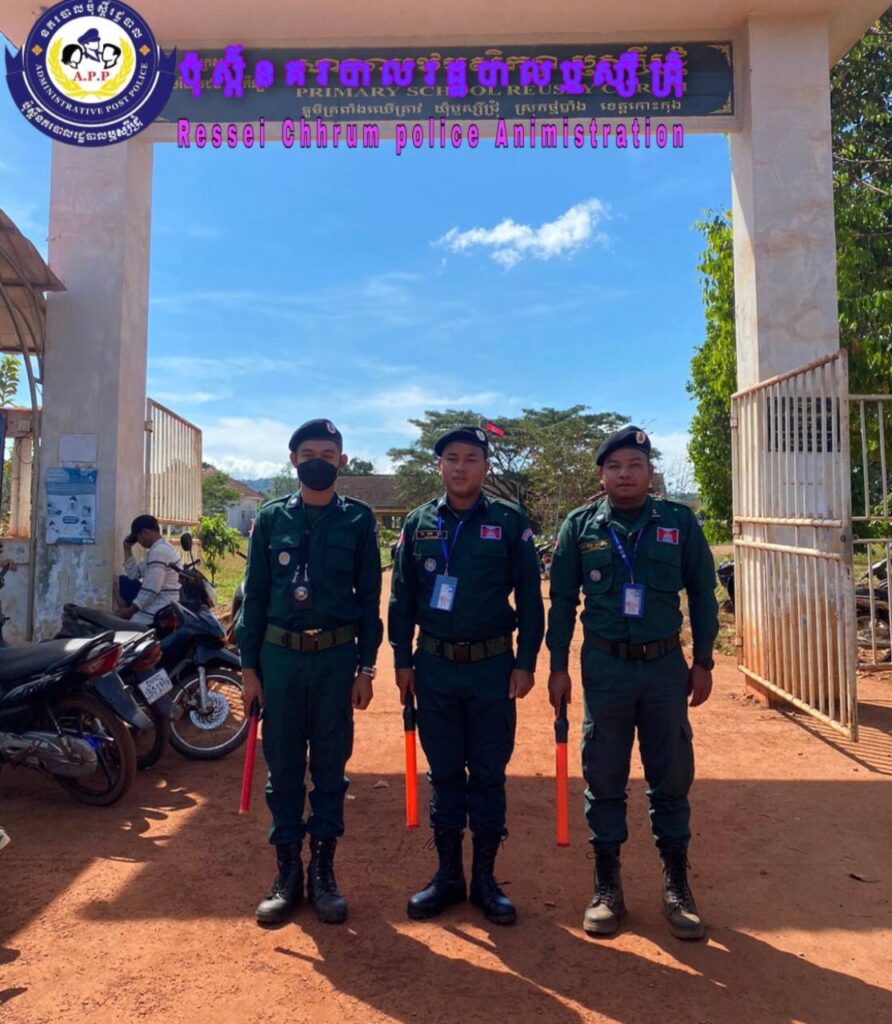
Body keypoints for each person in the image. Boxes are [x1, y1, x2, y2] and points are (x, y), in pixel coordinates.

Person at [546, 425, 718, 941]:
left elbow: (702, 593)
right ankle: (607, 888)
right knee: (604, 774)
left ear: (650, 472)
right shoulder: (579, 527)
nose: (625, 475)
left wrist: (704, 660)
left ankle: (677, 886)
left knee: (671, 774)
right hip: (605, 668)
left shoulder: (679, 523)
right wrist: (557, 666)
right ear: (601, 475)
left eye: (635, 465)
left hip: (665, 668)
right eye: (615, 467)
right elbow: (562, 602)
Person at [389, 425, 544, 926]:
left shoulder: (509, 521)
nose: (461, 467)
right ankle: (448, 875)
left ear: (485, 466)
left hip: (492, 669)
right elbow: (402, 598)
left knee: (489, 774)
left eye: (471, 458)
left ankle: (485, 880)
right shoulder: (418, 523)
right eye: (452, 458)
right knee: (445, 773)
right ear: (439, 465)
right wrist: (402, 660)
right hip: (433, 667)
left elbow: (531, 597)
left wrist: (525, 662)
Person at [237, 419, 382, 927]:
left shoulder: (358, 519)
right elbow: (254, 598)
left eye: (327, 454)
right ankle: (286, 875)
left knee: (329, 767)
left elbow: (370, 599)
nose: (318, 461)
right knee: (282, 767)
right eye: (308, 454)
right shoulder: (270, 518)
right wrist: (248, 670)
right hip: (279, 659)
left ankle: (323, 874)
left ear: (342, 461)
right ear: (293, 460)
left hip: (336, 660)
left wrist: (366, 667)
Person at [119, 515, 182, 626]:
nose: (139, 542)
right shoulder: (160, 548)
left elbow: (151, 589)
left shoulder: (159, 552)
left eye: (138, 538)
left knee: (122, 625)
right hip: (165, 602)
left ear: (144, 532)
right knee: (119, 581)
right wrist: (127, 549)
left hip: (161, 607)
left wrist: (130, 611)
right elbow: (134, 574)